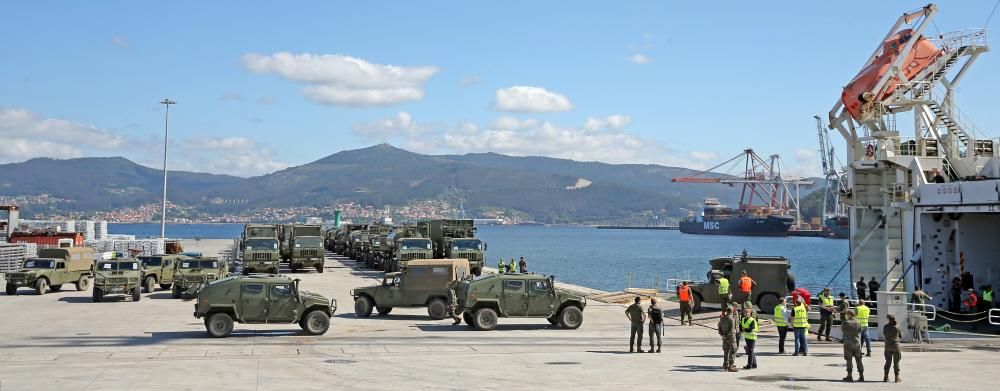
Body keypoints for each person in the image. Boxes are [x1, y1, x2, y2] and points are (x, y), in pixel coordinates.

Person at [841, 309, 865, 382]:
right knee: (859, 360)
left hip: (848, 343)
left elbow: (843, 330)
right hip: (856, 343)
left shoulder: (845, 322)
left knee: (849, 360)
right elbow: (860, 330)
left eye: (847, 314)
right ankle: (861, 376)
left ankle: (849, 376)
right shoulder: (858, 322)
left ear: (849, 314)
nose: (846, 315)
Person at [882, 314, 902, 383]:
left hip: (887, 346)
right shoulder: (897, 326)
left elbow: (884, 334)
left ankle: (886, 377)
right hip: (896, 346)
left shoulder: (885, 327)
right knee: (896, 362)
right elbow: (900, 335)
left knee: (888, 362)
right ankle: (897, 377)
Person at [718, 307, 739, 372]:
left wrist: (722, 335)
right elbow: (732, 329)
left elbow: (719, 327)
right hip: (731, 337)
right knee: (733, 350)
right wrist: (727, 335)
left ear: (726, 311)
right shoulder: (731, 319)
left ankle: (725, 364)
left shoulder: (722, 318)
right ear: (731, 311)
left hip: (724, 337)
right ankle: (731, 365)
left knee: (726, 351)